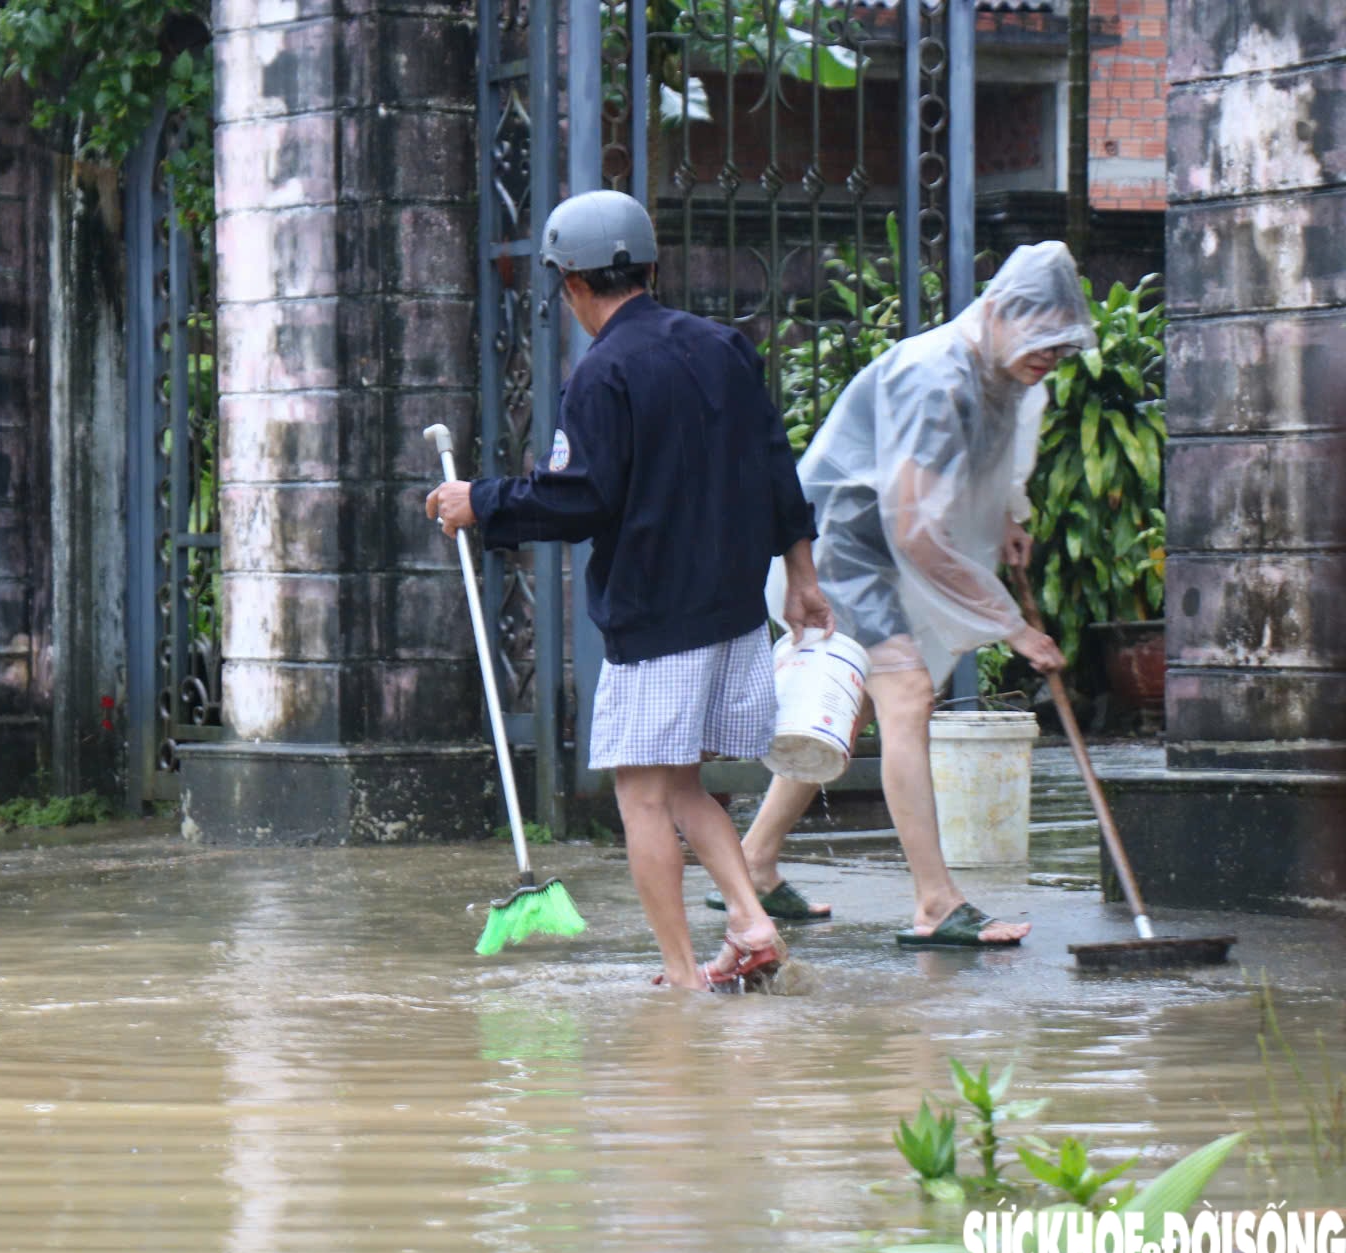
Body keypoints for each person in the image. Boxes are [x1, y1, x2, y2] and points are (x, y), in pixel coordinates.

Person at [424, 190, 833, 991]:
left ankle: (681, 977)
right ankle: (751, 925)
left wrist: (484, 502)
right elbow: (776, 462)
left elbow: (580, 498)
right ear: (650, 266)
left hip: (658, 617)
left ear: (573, 283)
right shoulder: (724, 347)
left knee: (641, 796)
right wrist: (802, 578)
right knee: (680, 785)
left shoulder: (603, 373)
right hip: (731, 609)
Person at [726, 240, 1094, 947]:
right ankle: (935, 902)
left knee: (861, 703)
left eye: (1061, 344)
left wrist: (1009, 516)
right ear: (999, 312)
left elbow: (993, 459)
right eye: (1040, 337)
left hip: (881, 545)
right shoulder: (935, 377)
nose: (1049, 356)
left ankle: (755, 862)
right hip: (845, 545)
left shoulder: (1004, 374)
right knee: (908, 694)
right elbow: (915, 530)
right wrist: (1011, 625)